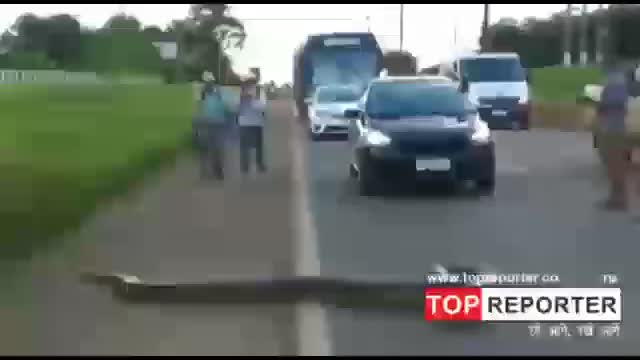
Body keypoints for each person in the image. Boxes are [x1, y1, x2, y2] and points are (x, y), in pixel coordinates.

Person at [596, 67, 631, 210]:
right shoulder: (613, 80)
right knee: (611, 164)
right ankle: (615, 196)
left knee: (615, 163)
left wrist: (602, 106)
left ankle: (619, 198)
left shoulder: (617, 82)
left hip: (615, 129)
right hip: (609, 128)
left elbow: (617, 104)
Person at [195, 78, 229, 180]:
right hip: (216, 124)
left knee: (205, 150)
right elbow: (226, 111)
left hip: (206, 125)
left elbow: (198, 115)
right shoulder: (218, 98)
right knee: (217, 149)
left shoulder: (202, 101)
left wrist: (196, 127)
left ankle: (204, 172)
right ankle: (217, 171)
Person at [237, 81, 267, 175]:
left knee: (248, 146)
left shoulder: (242, 97)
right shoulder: (253, 97)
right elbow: (262, 107)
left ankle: (247, 166)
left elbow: (236, 109)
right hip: (253, 123)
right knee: (255, 146)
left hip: (247, 124)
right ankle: (256, 165)